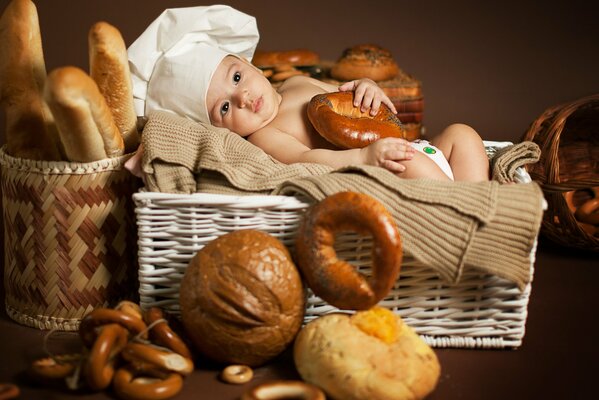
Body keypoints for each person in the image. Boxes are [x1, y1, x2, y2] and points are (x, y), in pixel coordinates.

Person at [126, 5, 489, 182]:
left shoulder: (297, 83)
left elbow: (349, 100)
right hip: (387, 169)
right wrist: (364, 159)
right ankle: (463, 217)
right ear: (219, 129)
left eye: (236, 78)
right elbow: (307, 157)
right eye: (223, 108)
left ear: (248, 63)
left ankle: (483, 207)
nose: (241, 98)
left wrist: (367, 88)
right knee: (413, 163)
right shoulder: (265, 137)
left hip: (413, 148)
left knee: (462, 134)